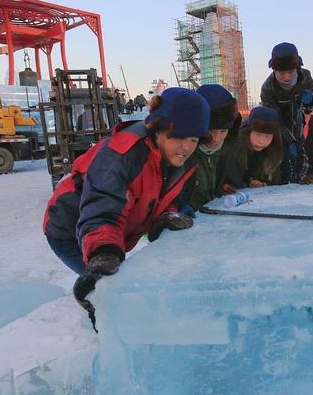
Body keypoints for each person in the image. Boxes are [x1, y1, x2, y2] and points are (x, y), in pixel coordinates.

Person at [43, 88, 210, 323]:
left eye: (193, 139)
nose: (186, 146)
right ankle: (105, 338)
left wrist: (167, 216)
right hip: (72, 230)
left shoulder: (184, 161)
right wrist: (103, 254)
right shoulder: (120, 155)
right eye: (178, 136)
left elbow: (171, 199)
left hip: (115, 230)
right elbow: (101, 211)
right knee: (106, 291)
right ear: (157, 128)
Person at [260, 42, 313, 183]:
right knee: (281, 162)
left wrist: (312, 100)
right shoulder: (268, 88)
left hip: (298, 124)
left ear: (297, 68)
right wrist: (289, 140)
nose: (287, 77)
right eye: (282, 73)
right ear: (275, 71)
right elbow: (274, 120)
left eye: (290, 72)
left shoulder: (305, 77)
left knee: (301, 161)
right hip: (279, 129)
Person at [176, 84, 241, 211]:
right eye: (209, 131)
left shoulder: (230, 148)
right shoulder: (182, 152)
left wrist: (224, 186)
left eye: (223, 131)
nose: (216, 139)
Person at [220, 106, 283, 192]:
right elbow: (222, 175)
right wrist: (224, 186)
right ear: (249, 131)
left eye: (268, 136)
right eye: (258, 134)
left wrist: (263, 184)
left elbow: (278, 180)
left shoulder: (274, 152)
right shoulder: (234, 148)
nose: (262, 141)